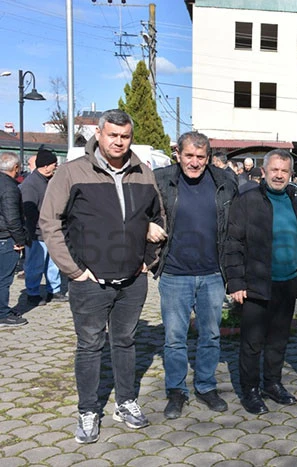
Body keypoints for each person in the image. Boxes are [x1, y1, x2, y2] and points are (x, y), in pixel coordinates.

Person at [40, 109, 164, 444]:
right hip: (90, 282)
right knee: (90, 346)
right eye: (113, 135)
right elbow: (50, 222)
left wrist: (148, 261)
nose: (119, 142)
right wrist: (75, 270)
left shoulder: (143, 173)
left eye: (125, 136)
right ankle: (88, 410)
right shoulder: (72, 172)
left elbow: (158, 217)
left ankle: (125, 402)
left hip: (132, 280)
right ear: (99, 134)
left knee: (125, 342)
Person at [153, 131, 237, 420]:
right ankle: (176, 390)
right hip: (175, 273)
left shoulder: (225, 181)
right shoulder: (161, 180)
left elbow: (235, 225)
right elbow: (143, 214)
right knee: (174, 337)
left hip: (213, 273)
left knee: (211, 335)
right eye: (189, 155)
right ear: (178, 154)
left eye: (200, 157)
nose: (194, 162)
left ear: (208, 157)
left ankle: (205, 386)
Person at [225, 149, 297, 415]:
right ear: (263, 171)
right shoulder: (247, 200)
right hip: (256, 283)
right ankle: (250, 390)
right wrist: (236, 282)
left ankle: (272, 383)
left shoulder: (294, 200)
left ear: (291, 174)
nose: (279, 175)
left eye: (284, 171)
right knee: (252, 342)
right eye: (274, 170)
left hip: (287, 281)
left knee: (278, 339)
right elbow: (233, 242)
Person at [20, 148, 66, 306]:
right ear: (46, 166)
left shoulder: (49, 181)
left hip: (51, 231)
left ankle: (54, 290)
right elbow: (29, 211)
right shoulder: (31, 184)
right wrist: (31, 233)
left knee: (53, 264)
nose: (56, 167)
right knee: (35, 265)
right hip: (37, 233)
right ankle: (32, 293)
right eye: (54, 164)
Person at [0, 152, 27, 328]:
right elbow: (12, 218)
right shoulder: (9, 187)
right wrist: (20, 240)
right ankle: (2, 314)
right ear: (16, 167)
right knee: (4, 279)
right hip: (5, 237)